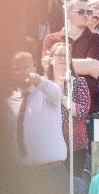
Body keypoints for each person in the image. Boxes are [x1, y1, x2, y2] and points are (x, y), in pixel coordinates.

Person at [41, 0, 99, 128]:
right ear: (69, 15)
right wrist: (84, 65)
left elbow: (94, 68)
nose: (86, 15)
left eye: (88, 11)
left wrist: (58, 62)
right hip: (54, 112)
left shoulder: (98, 38)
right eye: (81, 12)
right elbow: (47, 66)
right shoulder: (51, 39)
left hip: (87, 113)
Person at [9, 52, 67, 184]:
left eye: (26, 67)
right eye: (17, 69)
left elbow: (57, 94)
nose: (21, 72)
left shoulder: (46, 93)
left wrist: (39, 81)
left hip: (51, 175)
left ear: (34, 69)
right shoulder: (10, 99)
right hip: (22, 176)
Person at [45, 42, 91, 185]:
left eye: (67, 56)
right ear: (51, 58)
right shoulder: (43, 84)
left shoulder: (79, 83)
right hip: (48, 143)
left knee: (73, 184)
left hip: (74, 143)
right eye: (59, 55)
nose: (63, 58)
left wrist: (61, 96)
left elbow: (81, 111)